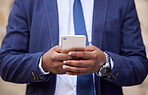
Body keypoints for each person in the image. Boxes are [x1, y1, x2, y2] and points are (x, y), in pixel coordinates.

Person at [0, 0, 147, 95]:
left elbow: (139, 67)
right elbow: (6, 64)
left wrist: (105, 63)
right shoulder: (27, 2)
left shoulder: (122, 3)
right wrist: (43, 63)